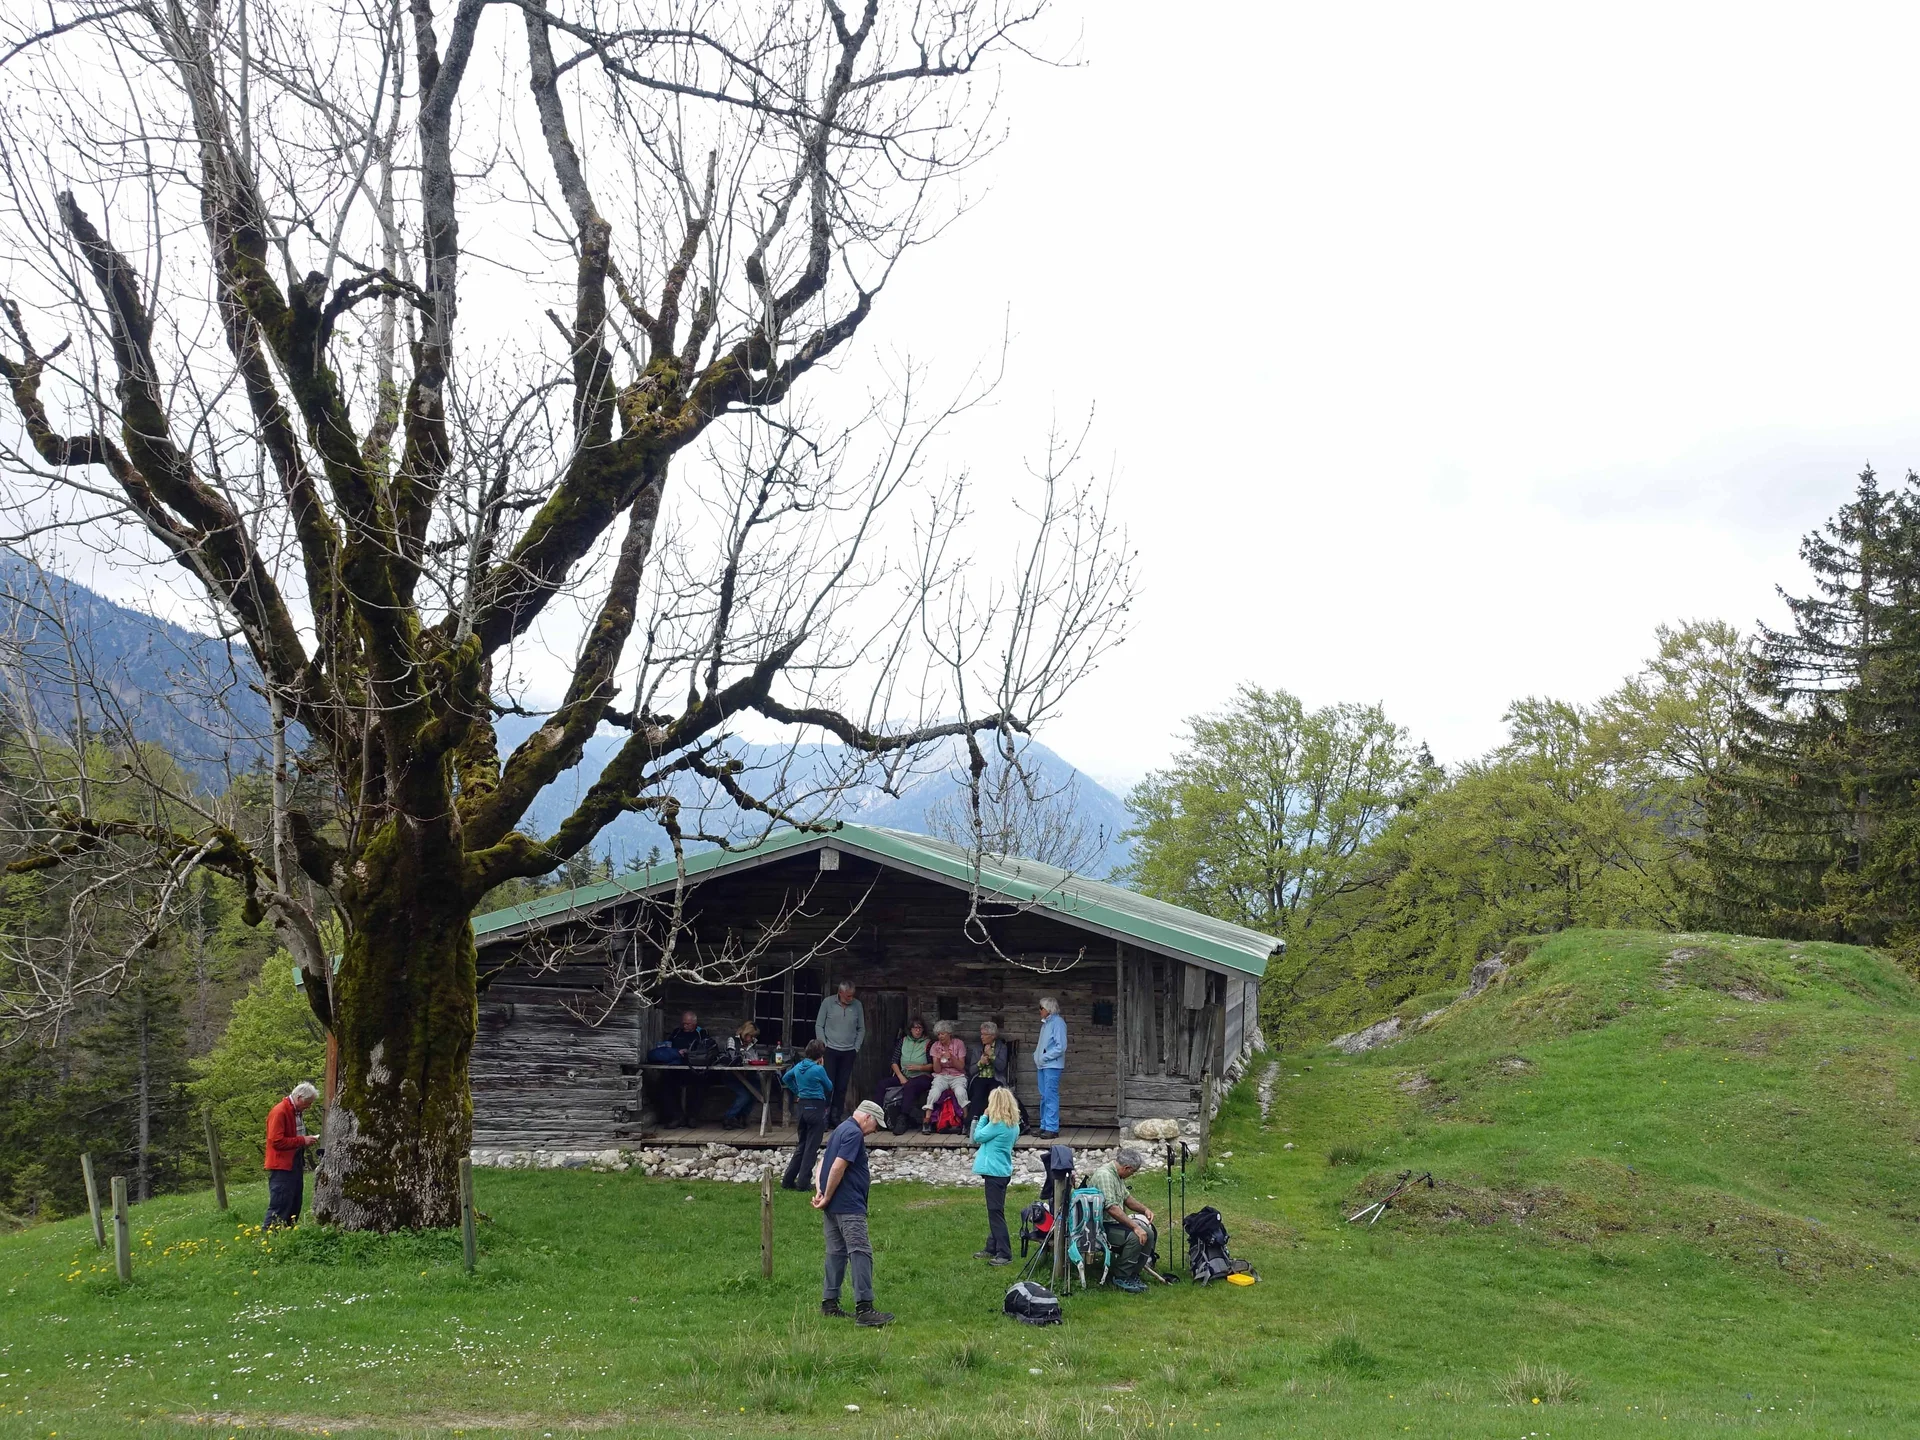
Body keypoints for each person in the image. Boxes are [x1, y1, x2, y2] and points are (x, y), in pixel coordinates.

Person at [811, 1098, 894, 1327]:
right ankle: (864, 1309)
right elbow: (837, 1165)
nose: (874, 1131)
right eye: (876, 1125)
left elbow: (822, 1163)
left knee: (836, 1254)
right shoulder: (854, 1133)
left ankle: (830, 1303)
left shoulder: (840, 1129)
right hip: (848, 1206)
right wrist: (826, 1194)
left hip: (832, 1207)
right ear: (867, 1117)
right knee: (860, 1252)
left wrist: (821, 1191)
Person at [1087, 1149, 1156, 1293]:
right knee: (1136, 1236)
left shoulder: (1117, 1175)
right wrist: (1135, 1227)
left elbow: (1127, 1199)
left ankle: (1133, 1273)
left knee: (1149, 1233)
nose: (1131, 1175)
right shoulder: (1105, 1176)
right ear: (1127, 1168)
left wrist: (1144, 1210)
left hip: (1113, 1223)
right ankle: (1121, 1276)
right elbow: (1112, 1208)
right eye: (1132, 1173)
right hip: (1101, 1227)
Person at [968, 1086, 1020, 1264]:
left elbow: (978, 1136)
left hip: (994, 1174)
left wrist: (984, 1116)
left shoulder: (996, 1124)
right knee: (995, 1211)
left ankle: (1004, 1253)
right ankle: (991, 1247)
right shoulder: (1013, 1125)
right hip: (1003, 1171)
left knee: (995, 1213)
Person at [263, 1081, 320, 1229]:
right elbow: (276, 1141)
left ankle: (288, 1234)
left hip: (294, 1161)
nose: (309, 1106)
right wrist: (302, 1140)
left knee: (295, 1202)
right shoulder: (280, 1111)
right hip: (282, 1165)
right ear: (299, 1098)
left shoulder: (296, 1112)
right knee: (280, 1203)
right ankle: (269, 1237)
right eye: (308, 1102)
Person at [781, 1038, 834, 1190]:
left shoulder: (799, 1066)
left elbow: (786, 1078)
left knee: (802, 1145)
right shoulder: (818, 1069)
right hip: (815, 1107)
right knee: (812, 1147)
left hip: (802, 1107)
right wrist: (821, 1067)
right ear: (820, 1056)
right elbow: (829, 1086)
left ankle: (788, 1180)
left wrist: (797, 1091)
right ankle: (803, 1182)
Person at [815, 981, 865, 1122]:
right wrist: (823, 1046)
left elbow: (861, 1028)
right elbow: (819, 1025)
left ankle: (836, 1116)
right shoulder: (828, 1003)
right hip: (830, 1050)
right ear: (840, 993)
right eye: (848, 996)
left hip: (849, 1051)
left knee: (842, 1086)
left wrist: (856, 1047)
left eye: (852, 996)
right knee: (828, 1085)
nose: (851, 998)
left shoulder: (857, 1005)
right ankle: (824, 1117)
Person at [661, 1010, 709, 1127]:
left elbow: (706, 1050)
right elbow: (669, 1045)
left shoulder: (701, 1033)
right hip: (677, 1067)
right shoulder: (677, 1032)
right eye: (683, 1023)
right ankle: (677, 1116)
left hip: (695, 1069)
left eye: (688, 1024)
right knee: (664, 1084)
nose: (685, 1026)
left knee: (700, 1085)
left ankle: (692, 1117)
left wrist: (690, 1052)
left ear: (694, 1023)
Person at [923, 1020, 969, 1132]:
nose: (940, 1037)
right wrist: (938, 1059)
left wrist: (951, 1057)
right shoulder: (935, 1046)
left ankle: (966, 1121)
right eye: (938, 1034)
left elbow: (961, 1066)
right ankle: (927, 1121)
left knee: (960, 1092)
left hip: (957, 1075)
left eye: (943, 1034)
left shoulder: (958, 1044)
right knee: (934, 1092)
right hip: (942, 1075)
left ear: (949, 1034)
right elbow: (937, 1069)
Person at [966, 1019, 1014, 1123]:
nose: (981, 1037)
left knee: (995, 1095)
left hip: (995, 1078)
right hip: (979, 1078)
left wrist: (991, 1055)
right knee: (977, 1096)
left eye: (984, 1034)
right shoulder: (977, 1048)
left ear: (993, 1036)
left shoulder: (1001, 1047)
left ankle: (995, 1123)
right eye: (981, 1034)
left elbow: (1001, 1066)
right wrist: (981, 1063)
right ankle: (970, 1125)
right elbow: (972, 1070)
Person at [1033, 996, 1067, 1138]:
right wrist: (1037, 1056)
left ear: (1048, 1009)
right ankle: (1044, 1125)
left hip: (1052, 1065)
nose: (1039, 1011)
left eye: (1041, 1008)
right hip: (1043, 1065)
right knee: (1044, 1096)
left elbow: (1061, 1046)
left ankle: (1052, 1128)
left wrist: (1044, 1057)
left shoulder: (1058, 1023)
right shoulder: (1045, 1024)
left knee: (1050, 1095)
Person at [888, 1017, 933, 1126]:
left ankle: (903, 1117)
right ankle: (877, 1116)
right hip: (904, 1075)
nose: (917, 1030)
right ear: (910, 1029)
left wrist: (919, 1067)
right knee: (881, 1084)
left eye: (920, 1028)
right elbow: (894, 1061)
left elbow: (933, 1066)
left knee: (910, 1086)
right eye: (915, 1028)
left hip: (923, 1076)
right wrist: (900, 1076)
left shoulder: (929, 1043)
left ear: (923, 1030)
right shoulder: (903, 1041)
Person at [721, 1020, 761, 1130]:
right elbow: (733, 1058)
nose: (751, 1039)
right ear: (745, 1034)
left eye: (753, 1036)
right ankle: (729, 1117)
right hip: (731, 1075)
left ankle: (742, 1116)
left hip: (747, 1075)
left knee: (756, 1091)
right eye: (750, 1036)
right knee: (744, 1095)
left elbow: (755, 1059)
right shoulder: (733, 1041)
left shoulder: (752, 1044)